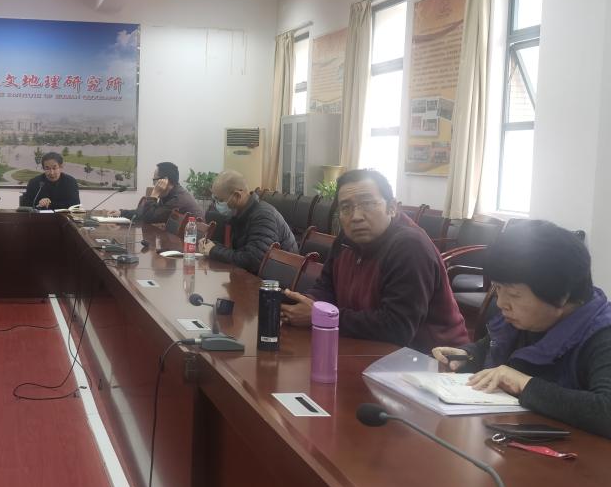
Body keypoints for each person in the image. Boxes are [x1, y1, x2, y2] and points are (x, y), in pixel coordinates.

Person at [433, 221, 611, 438]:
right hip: (507, 439)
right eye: (498, 288)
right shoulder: (523, 319)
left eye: (514, 294)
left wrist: (524, 384)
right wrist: (466, 356)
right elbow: (488, 347)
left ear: (562, 295)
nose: (501, 303)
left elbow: (606, 411)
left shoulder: (602, 334)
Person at [281, 169, 467, 352]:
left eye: (367, 204)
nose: (356, 217)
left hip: (431, 360)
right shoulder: (346, 240)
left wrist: (322, 316)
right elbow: (325, 288)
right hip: (368, 348)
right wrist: (303, 304)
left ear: (392, 207)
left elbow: (397, 327)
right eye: (346, 208)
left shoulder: (410, 247)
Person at [197, 170, 297, 274]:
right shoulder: (240, 213)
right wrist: (213, 246)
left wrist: (214, 250)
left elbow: (253, 261)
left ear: (237, 195)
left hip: (278, 279)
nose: (216, 204)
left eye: (221, 200)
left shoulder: (262, 216)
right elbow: (240, 252)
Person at [122, 162, 201, 224]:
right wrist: (122, 213)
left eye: (154, 180)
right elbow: (147, 213)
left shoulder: (178, 199)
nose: (153, 184)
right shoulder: (170, 194)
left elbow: (149, 218)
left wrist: (154, 194)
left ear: (164, 181)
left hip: (191, 240)